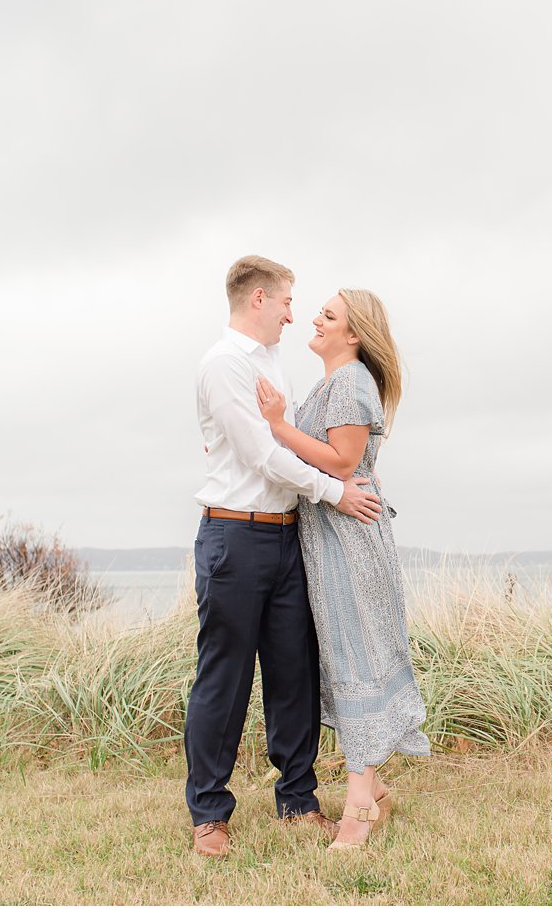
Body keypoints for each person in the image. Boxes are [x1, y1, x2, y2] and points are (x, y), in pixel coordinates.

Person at [186, 256, 383, 858]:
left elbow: (280, 437)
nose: (294, 316)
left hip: (286, 535)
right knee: (225, 676)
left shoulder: (270, 364)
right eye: (288, 303)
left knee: (293, 672)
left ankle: (298, 801)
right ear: (260, 299)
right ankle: (210, 815)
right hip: (235, 538)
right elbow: (261, 456)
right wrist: (337, 492)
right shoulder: (223, 366)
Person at [254, 287, 429, 850]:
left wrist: (279, 425)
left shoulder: (352, 382)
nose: (314, 319)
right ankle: (372, 785)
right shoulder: (332, 382)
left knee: (358, 653)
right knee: (349, 652)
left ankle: (358, 806)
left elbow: (343, 461)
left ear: (353, 334)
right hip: (329, 537)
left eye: (328, 315)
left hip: (350, 539)